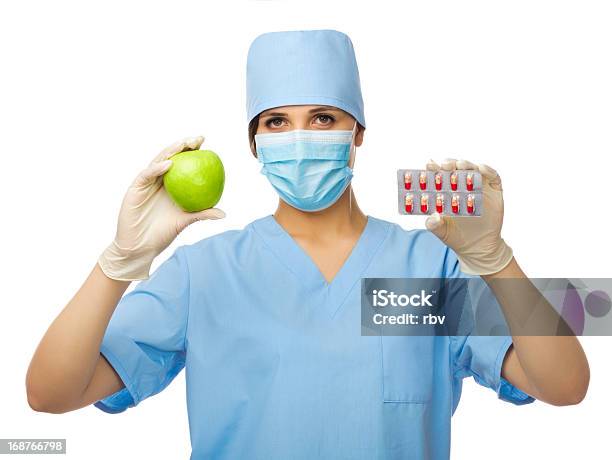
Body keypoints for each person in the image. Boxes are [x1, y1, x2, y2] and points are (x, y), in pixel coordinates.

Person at [26, 29, 589, 460]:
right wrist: (119, 263)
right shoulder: (205, 273)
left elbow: (565, 386)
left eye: (323, 117)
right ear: (254, 144)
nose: (300, 138)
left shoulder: (424, 270)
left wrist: (497, 260)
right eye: (276, 122)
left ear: (357, 133)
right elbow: (50, 393)